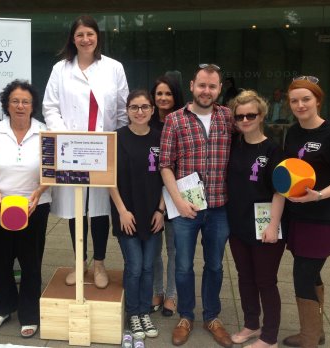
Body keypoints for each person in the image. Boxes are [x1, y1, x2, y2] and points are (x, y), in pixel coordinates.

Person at [43, 14, 129, 289]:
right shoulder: (60, 69)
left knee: (100, 208)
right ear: (73, 38)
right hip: (72, 149)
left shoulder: (114, 67)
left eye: (90, 34)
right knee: (77, 207)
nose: (85, 39)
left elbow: (122, 109)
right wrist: (68, 138)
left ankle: (100, 263)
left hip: (104, 148)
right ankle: (80, 261)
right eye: (80, 34)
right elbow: (50, 107)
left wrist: (115, 141)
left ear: (97, 37)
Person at [281, 76, 330, 348]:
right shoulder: (292, 132)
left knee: (302, 275)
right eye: (294, 100)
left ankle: (309, 338)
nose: (300, 105)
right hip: (298, 218)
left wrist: (320, 195)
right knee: (310, 274)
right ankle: (316, 332)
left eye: (306, 99)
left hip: (324, 218)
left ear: (317, 100)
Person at [159, 63, 233, 347]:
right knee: (183, 266)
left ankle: (212, 316)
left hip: (219, 208)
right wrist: (177, 201)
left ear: (219, 89)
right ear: (192, 86)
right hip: (186, 208)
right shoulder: (175, 120)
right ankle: (186, 316)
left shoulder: (228, 118)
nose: (206, 91)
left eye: (212, 86)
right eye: (202, 85)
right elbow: (165, 165)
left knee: (215, 265)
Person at [0, 80, 51, 339]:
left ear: (33, 106)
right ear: (7, 105)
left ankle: (29, 313)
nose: (20, 106)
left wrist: (39, 192)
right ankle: (3, 308)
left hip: (35, 206)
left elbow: (50, 170)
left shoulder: (44, 131)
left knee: (31, 262)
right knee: (0, 262)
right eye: (15, 101)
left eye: (25, 101)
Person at [226, 90, 286, 348]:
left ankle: (270, 337)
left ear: (261, 115)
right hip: (238, 224)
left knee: (265, 281)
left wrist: (273, 226)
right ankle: (252, 324)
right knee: (244, 277)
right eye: (240, 116)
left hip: (264, 225)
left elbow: (279, 191)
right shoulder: (233, 144)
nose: (245, 120)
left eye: (251, 115)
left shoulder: (273, 150)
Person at [110, 90, 164, 340]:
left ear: (152, 110)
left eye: (144, 107)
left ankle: (144, 312)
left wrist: (161, 210)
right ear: (127, 110)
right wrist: (121, 211)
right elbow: (109, 179)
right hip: (127, 214)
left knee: (149, 267)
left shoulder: (161, 137)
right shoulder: (117, 138)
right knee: (134, 266)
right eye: (134, 107)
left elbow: (168, 176)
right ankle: (133, 312)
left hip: (153, 214)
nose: (140, 112)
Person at [149, 75, 184, 317]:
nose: (163, 98)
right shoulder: (145, 122)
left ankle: (172, 294)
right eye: (159, 93)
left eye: (168, 94)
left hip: (173, 195)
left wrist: (163, 205)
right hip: (148, 194)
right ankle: (156, 290)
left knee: (174, 250)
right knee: (153, 250)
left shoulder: (181, 123)